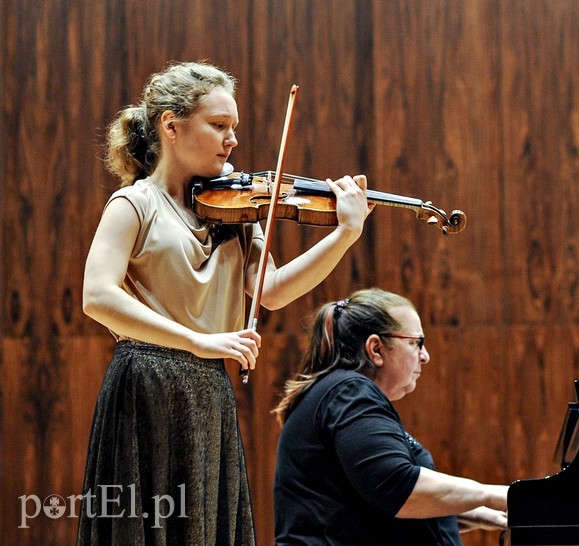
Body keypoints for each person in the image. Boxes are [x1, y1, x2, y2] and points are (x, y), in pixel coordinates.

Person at [76, 61, 371, 545]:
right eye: (218, 126)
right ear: (171, 126)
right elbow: (97, 297)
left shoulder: (235, 210)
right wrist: (197, 339)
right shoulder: (133, 205)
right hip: (145, 383)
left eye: (234, 128)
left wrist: (345, 233)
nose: (231, 139)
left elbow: (272, 290)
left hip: (209, 387)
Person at [272, 288, 508, 545]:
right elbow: (397, 486)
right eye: (416, 343)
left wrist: (477, 514)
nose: (425, 356)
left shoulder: (342, 395)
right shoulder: (349, 393)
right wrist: (493, 494)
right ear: (376, 349)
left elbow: (368, 502)